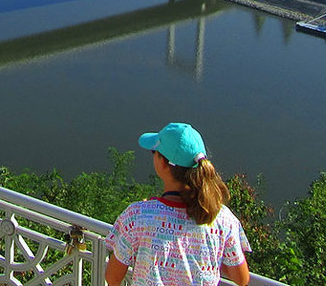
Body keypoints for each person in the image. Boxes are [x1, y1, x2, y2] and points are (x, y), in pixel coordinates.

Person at [105, 122, 250, 286]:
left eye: (155, 152)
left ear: (163, 163)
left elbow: (113, 277)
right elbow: (241, 279)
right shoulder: (222, 218)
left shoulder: (137, 216)